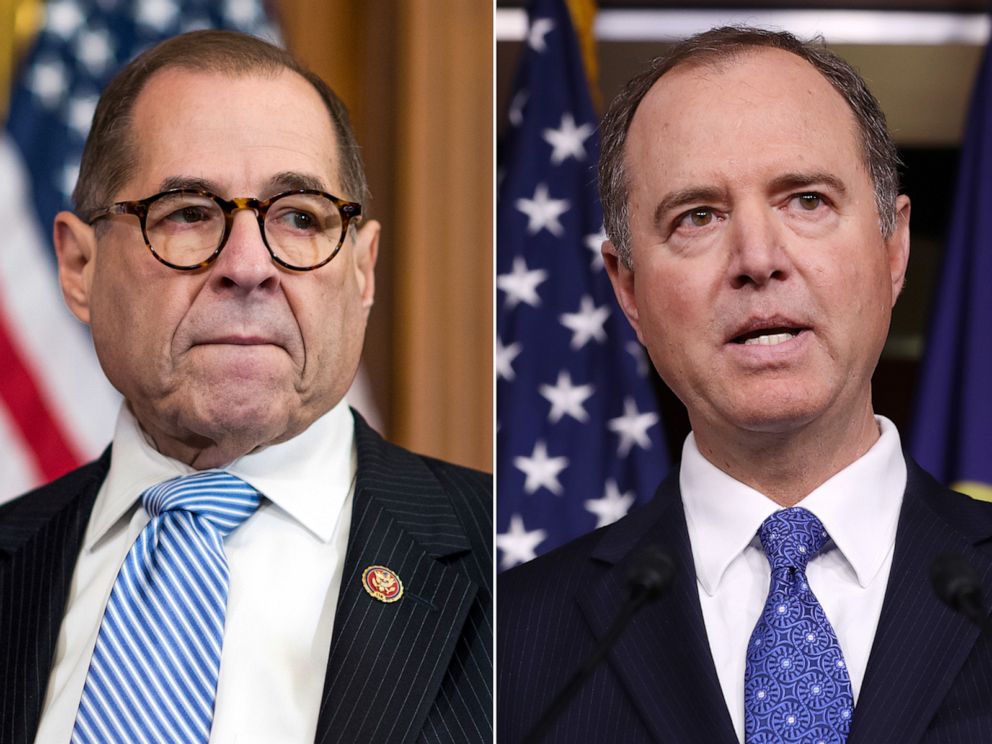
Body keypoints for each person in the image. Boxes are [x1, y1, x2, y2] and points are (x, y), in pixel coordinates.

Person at [498, 26, 992, 744]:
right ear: (627, 288)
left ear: (894, 248)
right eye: (698, 216)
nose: (758, 259)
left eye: (807, 200)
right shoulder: (512, 645)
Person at [0, 30, 491, 744]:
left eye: (298, 217)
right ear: (79, 267)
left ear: (362, 271)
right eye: (188, 213)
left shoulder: (513, 571)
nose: (249, 266)